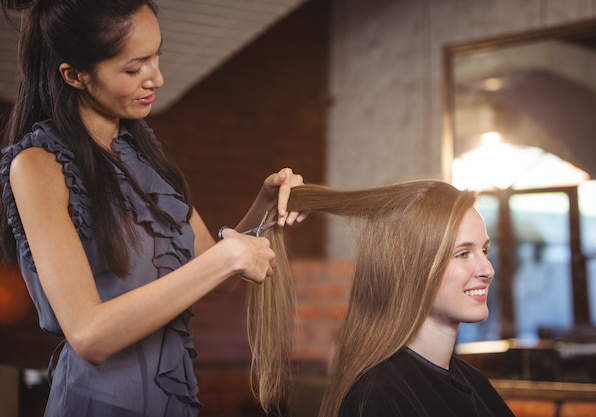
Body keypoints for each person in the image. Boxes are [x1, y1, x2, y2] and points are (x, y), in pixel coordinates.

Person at [0, 1, 305, 416]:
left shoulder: (143, 153)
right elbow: (89, 335)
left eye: (156, 55)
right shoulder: (37, 165)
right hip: (99, 404)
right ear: (75, 75)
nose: (157, 78)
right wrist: (230, 256)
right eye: (134, 67)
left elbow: (220, 276)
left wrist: (266, 203)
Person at [263, 180, 515, 417]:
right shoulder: (378, 397)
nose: (488, 269)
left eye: (484, 250)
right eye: (463, 254)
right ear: (412, 268)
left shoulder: (475, 382)